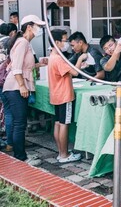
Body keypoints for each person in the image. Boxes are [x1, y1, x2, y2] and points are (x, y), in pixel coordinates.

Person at [2, 15, 48, 166]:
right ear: (29, 27)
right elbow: (16, 69)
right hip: (15, 87)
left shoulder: (23, 42)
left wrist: (39, 64)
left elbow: (24, 66)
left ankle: (20, 155)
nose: (39, 30)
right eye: (37, 26)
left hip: (13, 87)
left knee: (18, 123)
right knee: (20, 123)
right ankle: (20, 157)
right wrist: (22, 86)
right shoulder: (22, 43)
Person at [47, 29, 82, 163]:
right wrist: (81, 59)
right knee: (64, 124)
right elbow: (75, 72)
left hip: (56, 95)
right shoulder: (59, 59)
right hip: (64, 95)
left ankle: (61, 152)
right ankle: (64, 154)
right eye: (65, 40)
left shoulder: (52, 57)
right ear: (57, 42)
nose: (67, 43)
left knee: (57, 123)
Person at [0, 22, 18, 152]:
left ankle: (7, 140)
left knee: (6, 111)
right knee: (12, 113)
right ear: (11, 32)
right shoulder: (12, 43)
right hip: (9, 81)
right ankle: (11, 141)